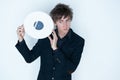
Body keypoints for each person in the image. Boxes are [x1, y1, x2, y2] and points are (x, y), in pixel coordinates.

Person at [15, 3, 85, 80]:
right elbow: (29, 58)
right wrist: (21, 39)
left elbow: (71, 69)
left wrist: (55, 49)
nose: (65, 25)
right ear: (55, 22)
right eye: (61, 21)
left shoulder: (78, 41)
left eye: (67, 20)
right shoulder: (45, 37)